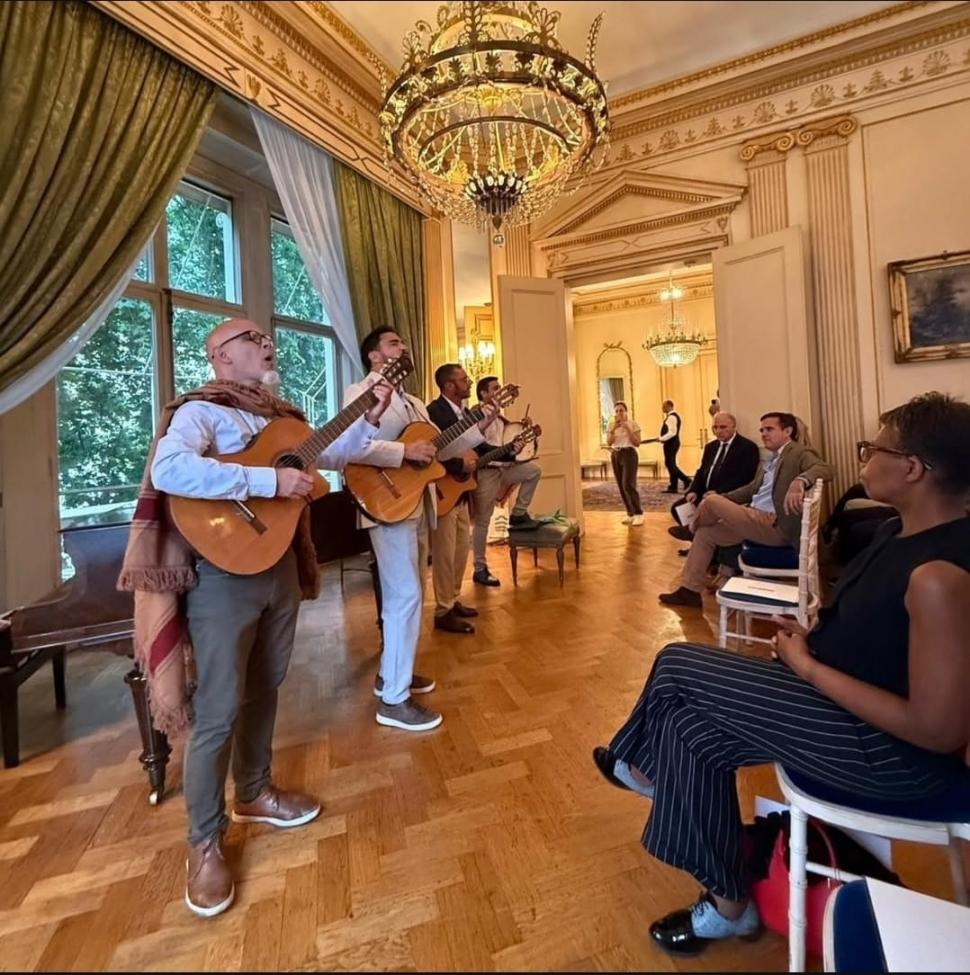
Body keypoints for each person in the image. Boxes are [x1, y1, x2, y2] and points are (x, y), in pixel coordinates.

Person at [593, 391, 970, 957]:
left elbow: (937, 732)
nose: (863, 459)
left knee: (676, 662)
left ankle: (641, 769)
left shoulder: (939, 575)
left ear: (912, 469)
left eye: (874, 449)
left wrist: (809, 667)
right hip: (840, 707)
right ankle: (727, 905)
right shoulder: (897, 533)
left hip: (891, 756)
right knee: (687, 732)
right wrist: (810, 645)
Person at [120, 317, 392, 919]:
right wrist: (269, 477)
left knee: (265, 685)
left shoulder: (282, 418)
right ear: (220, 356)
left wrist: (368, 413)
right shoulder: (200, 412)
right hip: (223, 572)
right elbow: (170, 472)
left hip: (280, 566)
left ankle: (254, 791)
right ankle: (204, 841)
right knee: (218, 706)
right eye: (251, 338)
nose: (266, 342)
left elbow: (336, 449)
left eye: (265, 337)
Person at [344, 328, 495, 731]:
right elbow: (348, 446)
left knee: (412, 593)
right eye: (394, 343)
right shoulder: (360, 391)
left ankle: (392, 675)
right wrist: (402, 451)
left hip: (419, 501)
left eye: (402, 343)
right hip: (386, 501)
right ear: (375, 357)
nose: (403, 347)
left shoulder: (411, 402)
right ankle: (393, 700)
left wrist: (482, 422)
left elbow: (439, 448)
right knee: (405, 594)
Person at [660, 411, 835, 608]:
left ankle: (689, 528)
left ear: (788, 431)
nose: (764, 434)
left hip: (774, 525)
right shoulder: (773, 458)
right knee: (706, 533)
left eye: (769, 429)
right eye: (762, 430)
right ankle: (689, 591)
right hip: (756, 518)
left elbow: (826, 470)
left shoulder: (798, 452)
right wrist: (721, 498)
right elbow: (751, 490)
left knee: (709, 505)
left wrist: (800, 480)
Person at [426, 363, 484, 634]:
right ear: (449, 386)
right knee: (444, 554)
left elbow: (476, 446)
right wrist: (460, 467)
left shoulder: (467, 412)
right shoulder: (433, 412)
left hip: (460, 493)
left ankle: (454, 597)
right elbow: (434, 451)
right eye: (464, 379)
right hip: (443, 491)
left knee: (462, 548)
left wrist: (511, 451)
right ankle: (442, 609)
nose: (469, 382)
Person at [470, 375, 543, 588]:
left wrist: (526, 432)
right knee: (483, 520)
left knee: (533, 471)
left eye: (500, 388)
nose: (500, 391)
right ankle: (479, 568)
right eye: (495, 388)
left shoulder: (502, 420)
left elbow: (509, 447)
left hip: (504, 469)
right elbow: (478, 444)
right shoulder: (476, 414)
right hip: (486, 472)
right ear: (484, 394)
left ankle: (518, 514)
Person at [668, 412, 761, 551]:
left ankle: (696, 538)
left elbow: (745, 478)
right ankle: (698, 544)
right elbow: (701, 471)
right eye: (715, 428)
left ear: (734, 426)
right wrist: (693, 489)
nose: (718, 431)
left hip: (725, 495)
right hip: (705, 493)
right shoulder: (711, 447)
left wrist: (719, 493)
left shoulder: (747, 448)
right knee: (678, 507)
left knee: (707, 512)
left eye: (723, 427)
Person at [606, 400, 643, 526]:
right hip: (616, 454)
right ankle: (630, 513)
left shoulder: (633, 424)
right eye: (616, 411)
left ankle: (639, 513)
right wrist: (613, 429)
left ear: (626, 411)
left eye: (621, 410)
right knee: (621, 486)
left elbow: (637, 442)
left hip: (629, 454)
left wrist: (627, 428)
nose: (619, 413)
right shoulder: (611, 425)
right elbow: (609, 442)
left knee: (628, 484)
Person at [658, 400, 691, 494]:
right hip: (671, 443)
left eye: (664, 406)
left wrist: (662, 438)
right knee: (670, 464)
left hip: (671, 443)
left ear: (669, 406)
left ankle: (687, 480)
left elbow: (672, 432)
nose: (662, 408)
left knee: (670, 464)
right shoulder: (671, 417)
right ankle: (673, 486)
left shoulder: (672, 417)